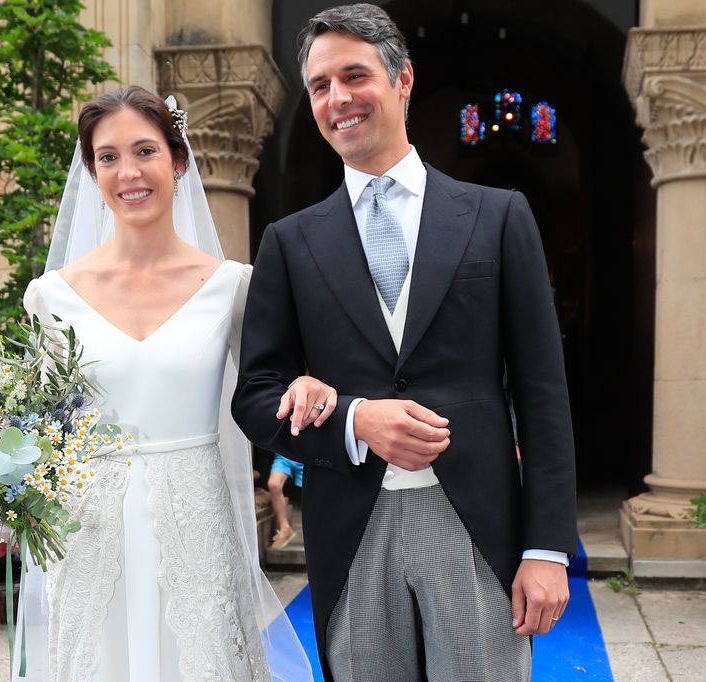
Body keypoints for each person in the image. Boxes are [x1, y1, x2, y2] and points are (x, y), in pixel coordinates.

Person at [232, 5, 578, 681]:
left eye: (354, 76)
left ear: (402, 80)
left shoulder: (498, 217)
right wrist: (356, 419)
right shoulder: (289, 242)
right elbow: (255, 397)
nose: (338, 99)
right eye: (320, 85)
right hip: (351, 524)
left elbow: (543, 394)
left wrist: (547, 548)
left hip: (475, 522)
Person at [20, 86, 323, 681]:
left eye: (145, 151)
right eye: (107, 157)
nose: (128, 172)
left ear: (178, 159)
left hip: (196, 526)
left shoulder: (233, 287)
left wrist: (312, 388)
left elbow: (272, 389)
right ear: (91, 171)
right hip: (90, 532)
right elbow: (36, 431)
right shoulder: (50, 297)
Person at [267, 453, 304, 548]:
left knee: (312, 493)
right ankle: (285, 529)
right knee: (274, 484)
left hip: (306, 454)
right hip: (284, 454)